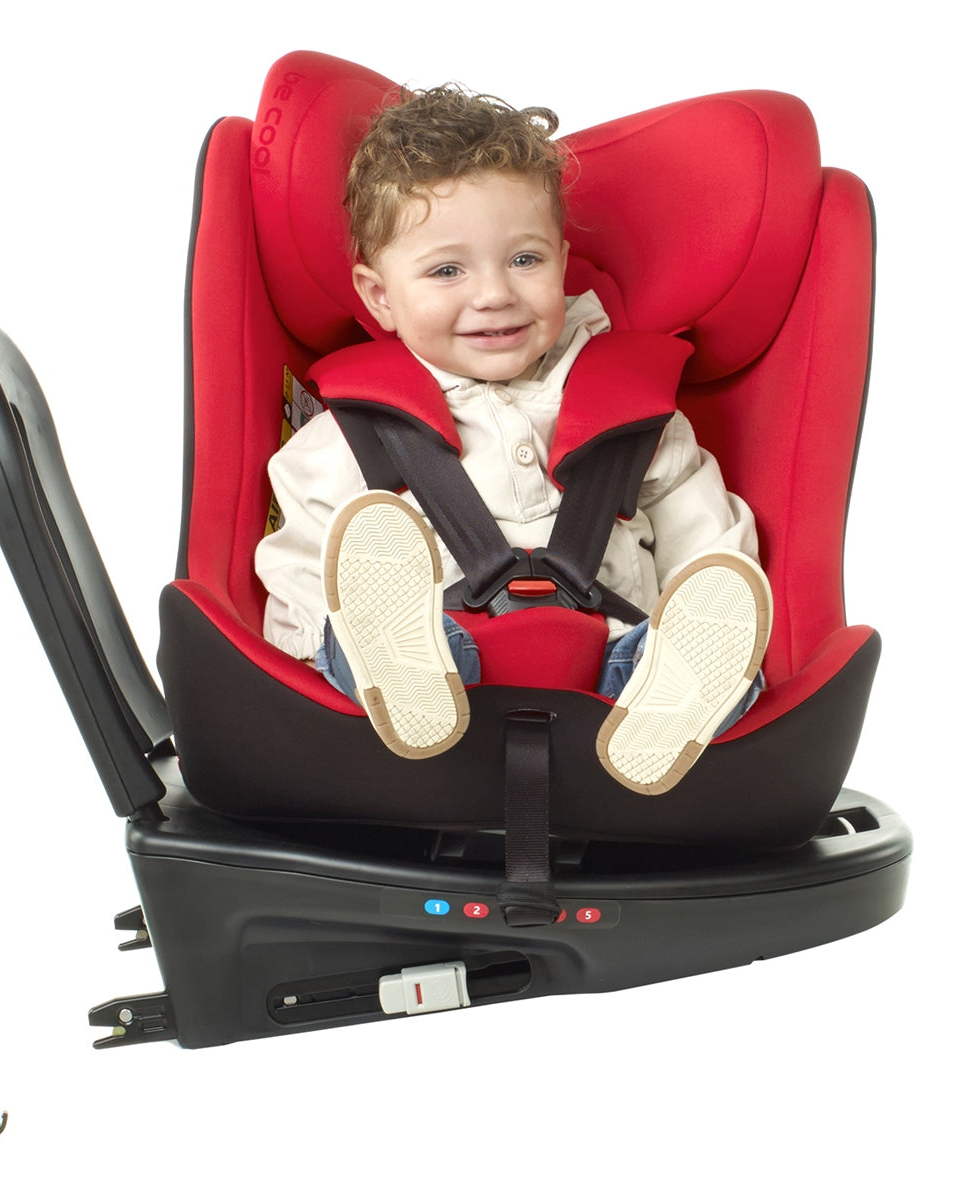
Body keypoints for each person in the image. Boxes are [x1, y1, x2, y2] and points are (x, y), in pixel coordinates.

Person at [254, 84, 771, 794]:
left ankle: (673, 697)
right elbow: (297, 576)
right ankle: (399, 667)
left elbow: (708, 545)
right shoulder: (348, 436)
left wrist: (706, 622)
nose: (494, 293)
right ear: (379, 296)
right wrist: (321, 647)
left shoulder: (638, 417)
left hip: (617, 686)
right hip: (436, 688)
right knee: (354, 617)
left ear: (562, 261)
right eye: (446, 270)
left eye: (524, 261)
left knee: (709, 641)